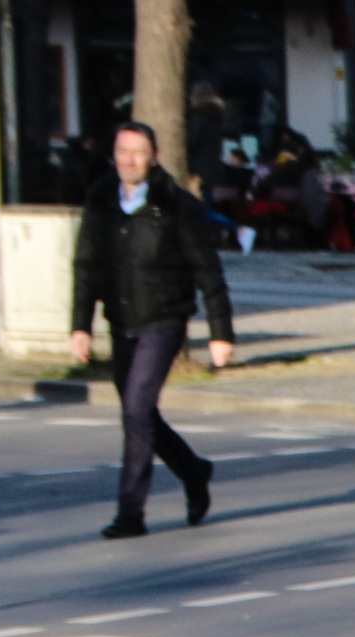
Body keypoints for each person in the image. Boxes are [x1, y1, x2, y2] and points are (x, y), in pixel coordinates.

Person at [69, 121, 231, 538]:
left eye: (139, 152)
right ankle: (194, 472)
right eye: (123, 151)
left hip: (164, 319)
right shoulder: (101, 200)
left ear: (154, 157)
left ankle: (130, 513)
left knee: (136, 411)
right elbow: (86, 267)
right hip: (121, 322)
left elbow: (207, 270)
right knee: (139, 415)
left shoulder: (176, 205)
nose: (129, 160)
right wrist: (79, 326)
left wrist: (220, 332)